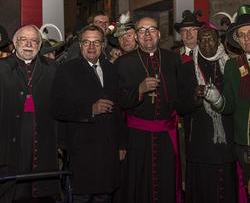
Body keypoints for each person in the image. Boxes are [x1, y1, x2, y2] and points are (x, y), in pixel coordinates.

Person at [51, 25, 126, 203]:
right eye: (86, 42)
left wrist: (122, 143)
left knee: (105, 196)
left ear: (103, 45)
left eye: (96, 42)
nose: (91, 47)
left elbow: (119, 110)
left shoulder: (112, 69)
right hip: (81, 151)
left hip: (108, 150)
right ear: (80, 45)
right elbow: (57, 107)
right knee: (81, 197)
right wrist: (90, 110)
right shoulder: (66, 70)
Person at [116, 17, 182, 203]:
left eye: (151, 29)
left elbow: (180, 97)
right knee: (138, 182)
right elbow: (118, 102)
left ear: (159, 34)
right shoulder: (123, 63)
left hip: (166, 136)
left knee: (166, 180)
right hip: (136, 138)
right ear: (136, 37)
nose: (147, 34)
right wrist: (140, 90)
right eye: (142, 30)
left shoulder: (173, 59)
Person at [177, 23, 236, 203]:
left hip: (227, 143)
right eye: (202, 40)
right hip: (200, 145)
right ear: (198, 43)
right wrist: (195, 96)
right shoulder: (186, 69)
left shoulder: (230, 66)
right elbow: (180, 107)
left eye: (211, 39)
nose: (206, 44)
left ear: (219, 41)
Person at [0, 25, 59, 203]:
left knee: (40, 193)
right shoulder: (1, 68)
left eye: (34, 41)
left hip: (43, 136)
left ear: (40, 45)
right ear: (14, 44)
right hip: (10, 135)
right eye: (23, 40)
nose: (28, 44)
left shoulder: (53, 69)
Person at [204, 5, 250, 198]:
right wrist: (217, 99)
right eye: (242, 35)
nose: (247, 39)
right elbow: (229, 105)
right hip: (244, 143)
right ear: (237, 40)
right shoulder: (233, 65)